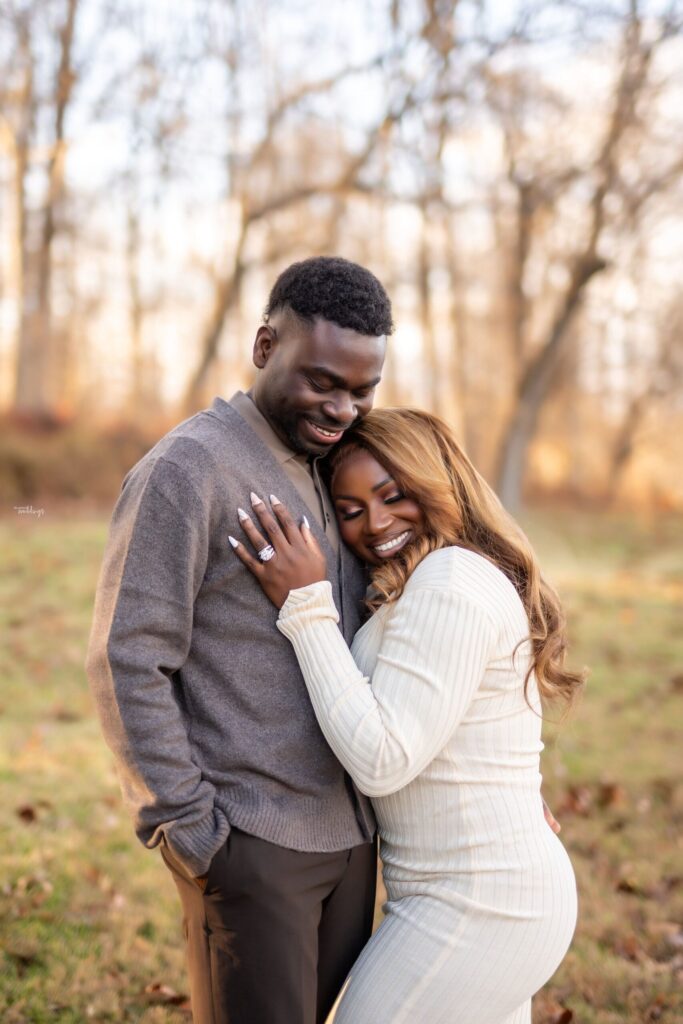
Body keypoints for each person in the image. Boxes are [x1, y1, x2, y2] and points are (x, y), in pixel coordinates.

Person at [85, 256, 393, 1024]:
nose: (342, 406)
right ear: (264, 346)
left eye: (361, 390)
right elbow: (127, 657)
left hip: (351, 840)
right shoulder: (190, 469)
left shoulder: (336, 468)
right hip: (250, 842)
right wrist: (190, 828)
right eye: (323, 380)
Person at [229, 407, 583, 1024]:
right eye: (351, 509)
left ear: (436, 482)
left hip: (480, 901)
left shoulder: (450, 580)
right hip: (473, 890)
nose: (377, 522)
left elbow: (383, 758)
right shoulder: (430, 578)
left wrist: (307, 606)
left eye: (394, 495)